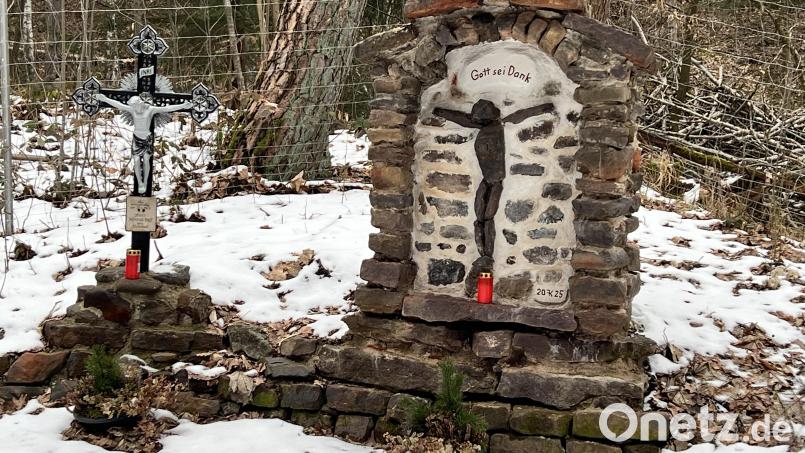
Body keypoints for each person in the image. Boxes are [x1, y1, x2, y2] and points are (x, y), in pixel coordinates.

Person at [95, 93, 192, 194]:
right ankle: (140, 183)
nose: (133, 108)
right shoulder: (133, 110)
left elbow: (167, 108)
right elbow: (119, 105)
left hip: (147, 138)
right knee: (136, 160)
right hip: (137, 138)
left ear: (139, 103)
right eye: (132, 106)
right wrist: (105, 98)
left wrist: (183, 106)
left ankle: (145, 182)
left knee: (146, 160)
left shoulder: (150, 109)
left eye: (134, 106)